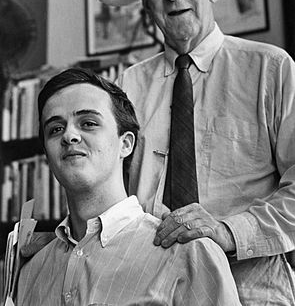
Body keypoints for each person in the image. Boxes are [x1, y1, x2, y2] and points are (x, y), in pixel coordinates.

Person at [97, 0, 295, 305]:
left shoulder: (271, 70)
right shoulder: (124, 88)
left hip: (252, 292)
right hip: (146, 292)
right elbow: (107, 196)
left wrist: (229, 231)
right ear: (145, 4)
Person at [15, 68, 241, 306]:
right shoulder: (31, 271)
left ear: (126, 144)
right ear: (47, 157)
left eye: (88, 123)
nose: (69, 135)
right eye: (55, 129)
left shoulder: (189, 254)